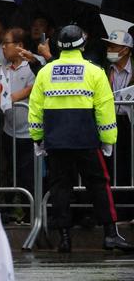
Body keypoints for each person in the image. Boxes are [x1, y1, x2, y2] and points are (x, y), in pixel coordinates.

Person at [29, 25, 133, 253]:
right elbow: (105, 110)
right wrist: (108, 139)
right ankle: (110, 235)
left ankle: (65, 239)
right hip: (85, 139)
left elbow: (35, 109)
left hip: (56, 140)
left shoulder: (46, 72)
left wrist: (38, 137)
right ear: (82, 46)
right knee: (99, 185)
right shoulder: (94, 71)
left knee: (60, 189)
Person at [0, 27, 35, 222]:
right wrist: (2, 96)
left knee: (29, 175)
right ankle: (10, 211)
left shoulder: (32, 66)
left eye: (6, 43)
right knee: (10, 171)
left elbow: (34, 87)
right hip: (9, 130)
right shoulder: (2, 67)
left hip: (30, 132)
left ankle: (32, 213)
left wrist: (14, 96)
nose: (3, 47)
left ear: (19, 46)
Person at [103, 30, 133, 219]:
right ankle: (118, 210)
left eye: (113, 47)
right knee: (114, 166)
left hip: (131, 123)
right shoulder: (105, 70)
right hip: (112, 123)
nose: (109, 50)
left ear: (126, 50)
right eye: (108, 46)